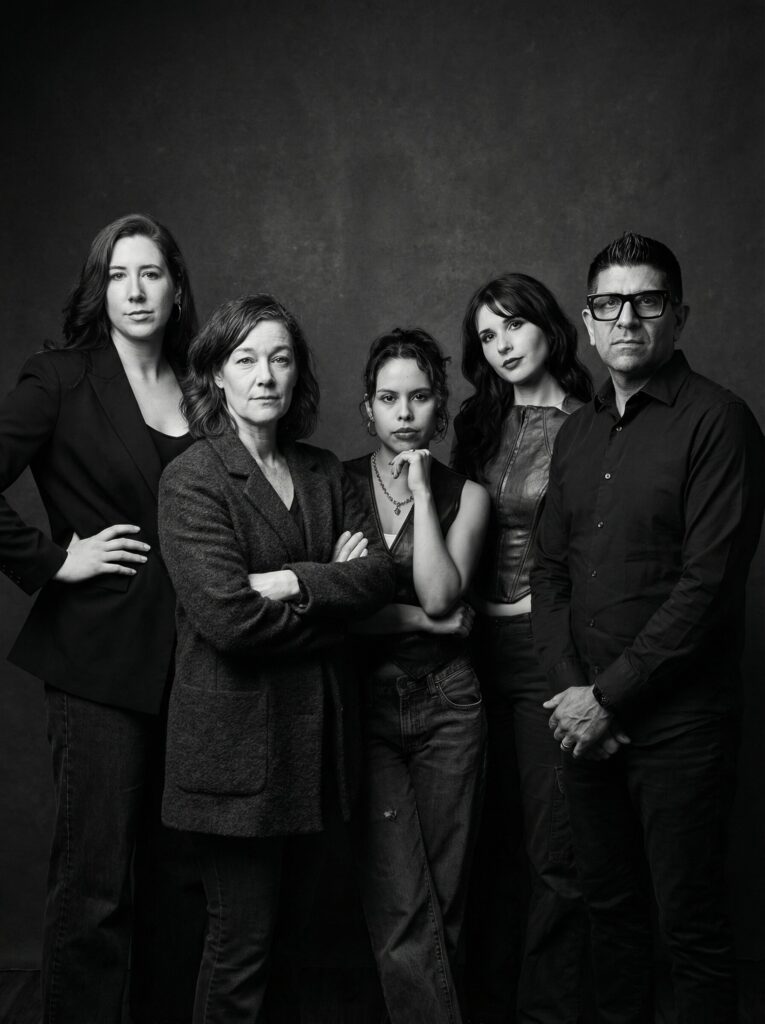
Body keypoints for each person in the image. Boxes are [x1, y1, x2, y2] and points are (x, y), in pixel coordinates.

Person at [531, 232, 765, 1023]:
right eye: (608, 304)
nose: (626, 318)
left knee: (690, 928)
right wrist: (573, 698)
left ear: (678, 316)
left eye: (646, 301)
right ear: (588, 323)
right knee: (609, 918)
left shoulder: (719, 423)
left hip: (679, 730)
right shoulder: (576, 434)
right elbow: (547, 574)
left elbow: (708, 589)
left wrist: (606, 700)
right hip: (585, 729)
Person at [157, 294, 395, 1023]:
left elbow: (379, 576)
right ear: (216, 375)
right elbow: (229, 620)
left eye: (280, 359)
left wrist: (291, 581)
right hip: (235, 759)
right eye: (246, 359)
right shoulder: (193, 479)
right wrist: (333, 599)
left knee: (309, 949)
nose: (265, 375)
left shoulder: (323, 471)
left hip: (320, 751)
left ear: (297, 375)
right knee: (241, 950)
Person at [0, 213, 205, 1023]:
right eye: (118, 274)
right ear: (99, 289)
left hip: (195, 667)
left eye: (151, 272)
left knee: (176, 882)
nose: (135, 290)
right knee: (95, 884)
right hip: (96, 663)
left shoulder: (203, 385)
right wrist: (53, 561)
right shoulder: (60, 378)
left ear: (176, 287)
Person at [452, 273, 594, 1023]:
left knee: (553, 847)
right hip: (470, 651)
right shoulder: (476, 423)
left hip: (547, 650)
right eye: (486, 335)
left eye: (513, 324)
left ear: (547, 325)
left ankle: (546, 1013)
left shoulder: (590, 425)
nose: (502, 344)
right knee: (483, 843)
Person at [344, 327, 490, 1023]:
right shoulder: (334, 484)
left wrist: (424, 494)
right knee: (401, 898)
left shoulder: (469, 496)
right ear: (367, 408)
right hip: (365, 705)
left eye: (420, 397)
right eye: (388, 399)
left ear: (440, 406)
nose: (404, 413)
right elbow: (332, 612)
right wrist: (422, 624)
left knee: (445, 900)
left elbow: (438, 593)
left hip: (450, 706)